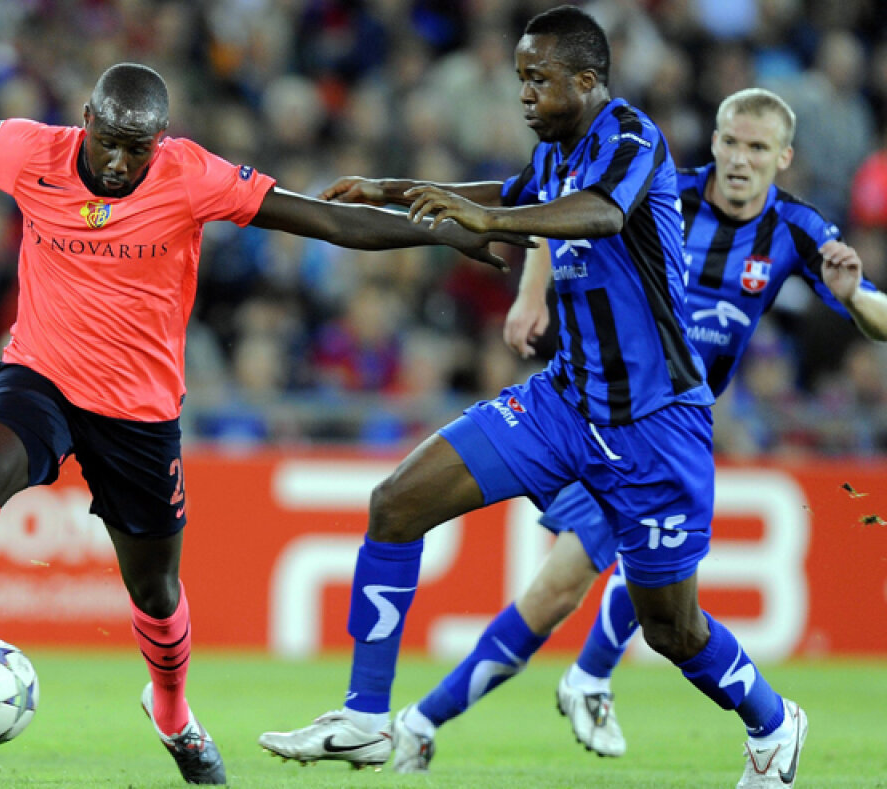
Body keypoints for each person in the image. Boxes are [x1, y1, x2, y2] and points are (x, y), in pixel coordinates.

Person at [0, 62, 530, 786]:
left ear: (162, 140)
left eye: (138, 146)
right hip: (39, 376)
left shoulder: (191, 174)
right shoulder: (28, 150)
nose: (118, 159)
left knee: (157, 592)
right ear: (86, 122)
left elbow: (327, 220)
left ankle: (172, 715)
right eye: (108, 139)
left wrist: (440, 233)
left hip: (138, 414)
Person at [257, 8, 807, 788]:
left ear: (585, 82)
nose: (523, 93)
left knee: (672, 628)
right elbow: (501, 195)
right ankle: (365, 718)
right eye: (520, 76)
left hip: (657, 426)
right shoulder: (553, 155)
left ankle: (775, 721)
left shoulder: (630, 139)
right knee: (396, 503)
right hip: (563, 405)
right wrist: (401, 190)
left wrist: (491, 217)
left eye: (537, 78)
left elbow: (603, 214)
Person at [383, 85, 887, 772]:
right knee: (579, 585)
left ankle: (461, 711)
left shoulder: (795, 230)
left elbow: (873, 318)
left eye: (757, 148)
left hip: (667, 430)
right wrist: (533, 293)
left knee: (602, 593)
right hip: (603, 411)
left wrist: (856, 294)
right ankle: (501, 701)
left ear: (784, 157)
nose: (740, 159)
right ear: (713, 141)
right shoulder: (662, 191)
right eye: (731, 142)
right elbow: (561, 212)